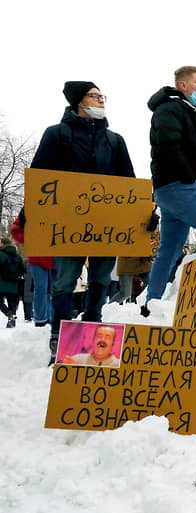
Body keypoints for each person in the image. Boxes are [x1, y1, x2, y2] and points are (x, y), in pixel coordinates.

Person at [30, 81, 138, 363]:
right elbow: (40, 177)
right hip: (68, 225)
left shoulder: (115, 141)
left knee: (101, 279)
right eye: (94, 96)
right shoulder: (56, 135)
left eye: (103, 96)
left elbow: (129, 182)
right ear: (79, 101)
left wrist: (142, 209)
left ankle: (93, 330)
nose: (101, 100)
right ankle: (60, 336)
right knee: (65, 280)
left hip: (106, 224)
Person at [144, 66, 196, 316]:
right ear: (183, 85)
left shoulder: (187, 110)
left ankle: (151, 303)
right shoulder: (170, 108)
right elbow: (168, 145)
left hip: (173, 188)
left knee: (170, 248)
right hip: (180, 185)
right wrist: (190, 178)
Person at [11, 209, 56, 327]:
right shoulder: (31, 205)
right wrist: (32, 239)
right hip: (38, 258)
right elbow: (16, 230)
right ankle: (41, 320)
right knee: (41, 289)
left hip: (58, 258)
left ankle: (55, 319)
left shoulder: (64, 201)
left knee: (56, 291)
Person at [0, 237, 25, 328]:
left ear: (3, 244)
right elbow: (23, 269)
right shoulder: (17, 256)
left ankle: (8, 313)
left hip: (1, 282)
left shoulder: (1, 254)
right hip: (14, 283)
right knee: (12, 302)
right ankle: (12, 321)